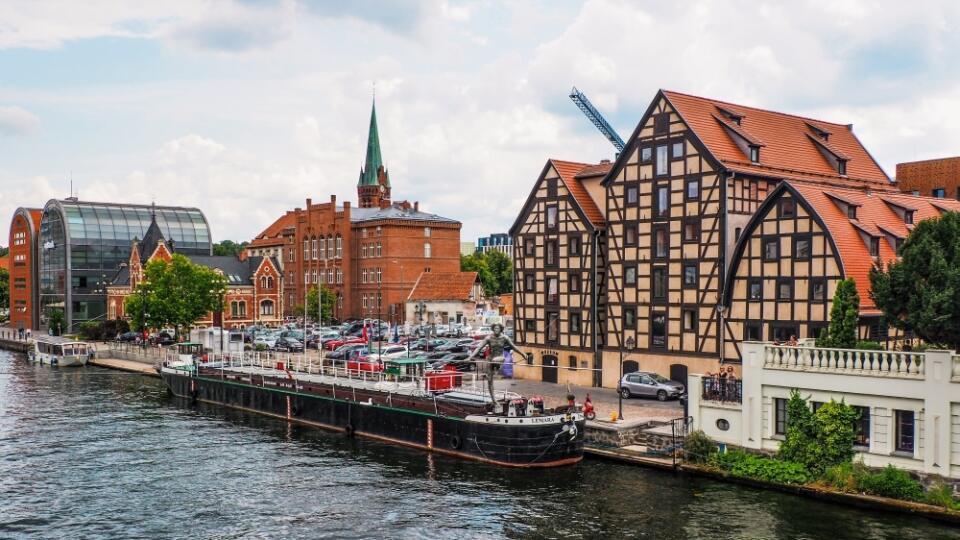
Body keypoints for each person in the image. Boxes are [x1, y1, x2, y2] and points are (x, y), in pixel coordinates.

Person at [465, 323, 520, 408]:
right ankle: (494, 400)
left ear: (501, 329)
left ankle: (496, 368)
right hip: (490, 360)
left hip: (499, 358)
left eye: (498, 328)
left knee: (497, 360)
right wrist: (470, 357)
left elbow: (514, 347)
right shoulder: (489, 338)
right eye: (495, 328)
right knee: (489, 381)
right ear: (493, 329)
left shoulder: (505, 337)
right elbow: (479, 348)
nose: (496, 330)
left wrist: (524, 355)